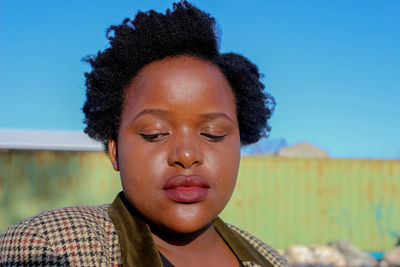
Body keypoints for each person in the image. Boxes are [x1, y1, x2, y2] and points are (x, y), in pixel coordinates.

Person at [0, 1, 287, 266]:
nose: (186, 155)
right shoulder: (51, 247)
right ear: (114, 150)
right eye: (155, 133)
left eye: (213, 134)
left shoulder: (271, 260)